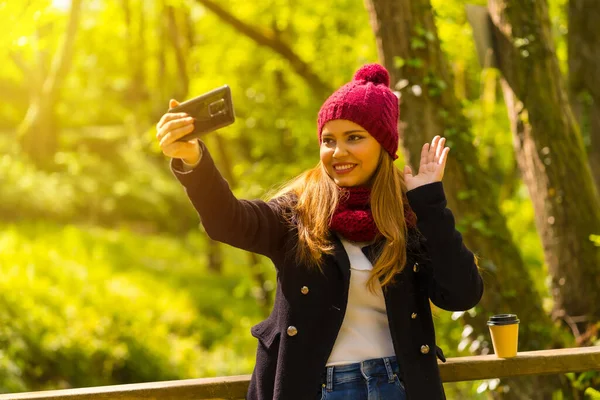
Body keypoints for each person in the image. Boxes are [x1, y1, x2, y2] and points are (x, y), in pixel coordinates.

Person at [155, 63, 484, 400]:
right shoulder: (297, 213)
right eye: (329, 140)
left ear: (383, 146)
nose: (338, 152)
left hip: (399, 386)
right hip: (319, 389)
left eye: (354, 138)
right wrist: (193, 160)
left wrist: (429, 205)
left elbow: (462, 295)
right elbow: (229, 220)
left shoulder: (408, 215)